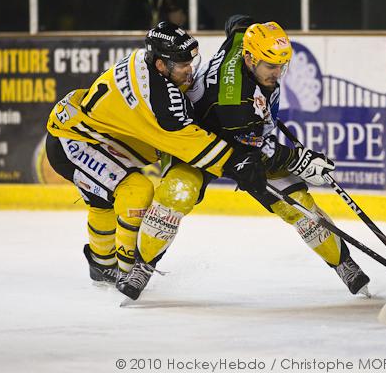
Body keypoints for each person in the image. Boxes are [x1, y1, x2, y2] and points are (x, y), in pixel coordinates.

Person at [117, 15, 370, 300]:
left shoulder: (245, 40)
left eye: (281, 65)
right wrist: (300, 160)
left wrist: (249, 25)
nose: (277, 73)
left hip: (241, 137)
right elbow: (257, 153)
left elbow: (237, 23)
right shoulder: (235, 104)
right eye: (270, 66)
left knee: (298, 205)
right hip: (198, 144)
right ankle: (142, 266)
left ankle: (343, 264)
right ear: (249, 59)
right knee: (177, 193)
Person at [46, 21, 268, 289]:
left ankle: (102, 264)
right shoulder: (158, 96)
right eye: (182, 64)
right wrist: (235, 162)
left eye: (191, 61)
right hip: (73, 141)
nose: (189, 69)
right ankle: (127, 271)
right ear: (161, 64)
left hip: (87, 133)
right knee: (136, 192)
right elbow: (189, 143)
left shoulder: (149, 65)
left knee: (102, 200)